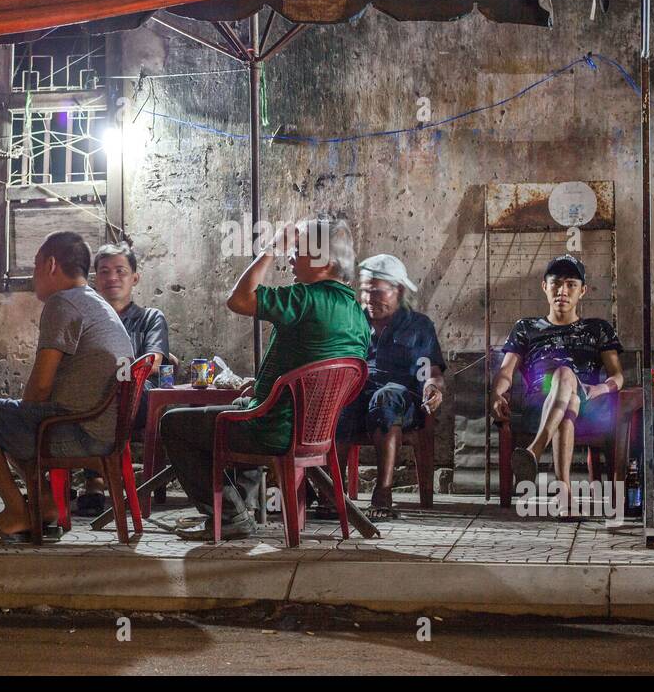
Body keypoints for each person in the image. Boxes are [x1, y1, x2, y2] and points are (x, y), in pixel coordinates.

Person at [160, 217, 371, 540]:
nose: (290, 256)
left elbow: (239, 299)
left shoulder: (305, 298)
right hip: (315, 430)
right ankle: (238, 510)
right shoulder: (355, 312)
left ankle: (229, 514)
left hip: (274, 428)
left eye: (298, 250)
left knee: (173, 423)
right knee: (245, 403)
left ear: (325, 261)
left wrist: (271, 249)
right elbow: (313, 365)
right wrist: (265, 387)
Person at [0, 232, 133, 543]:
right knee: (3, 420)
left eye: (35, 265)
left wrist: (12, 418)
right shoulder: (95, 302)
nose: (33, 275)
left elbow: (40, 388)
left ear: (51, 265)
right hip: (104, 429)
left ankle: (17, 511)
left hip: (78, 432)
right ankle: (42, 505)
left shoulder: (63, 302)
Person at [490, 254, 624, 514]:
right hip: (539, 405)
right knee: (566, 394)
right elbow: (506, 371)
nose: (563, 291)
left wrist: (599, 389)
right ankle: (564, 496)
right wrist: (496, 394)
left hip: (589, 404)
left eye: (571, 284)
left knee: (567, 380)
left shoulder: (598, 329)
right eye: (556, 283)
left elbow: (617, 375)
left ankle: (534, 451)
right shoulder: (525, 328)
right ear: (545, 287)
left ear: (582, 291)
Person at [332, 253, 445, 521]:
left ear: (399, 291)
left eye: (378, 292)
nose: (370, 299)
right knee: (341, 400)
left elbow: (433, 371)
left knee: (386, 398)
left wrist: (433, 388)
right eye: (366, 292)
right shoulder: (353, 321)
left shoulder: (418, 325)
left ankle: (382, 493)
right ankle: (332, 492)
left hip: (403, 401)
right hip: (361, 393)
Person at [83, 241, 170, 516]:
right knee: (82, 393)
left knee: (105, 391)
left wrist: (112, 372)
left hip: (139, 401)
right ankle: (95, 481)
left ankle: (95, 482)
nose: (112, 278)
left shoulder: (150, 318)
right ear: (95, 279)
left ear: (135, 277)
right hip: (98, 398)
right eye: (105, 271)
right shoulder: (86, 319)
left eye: (120, 271)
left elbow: (153, 361)